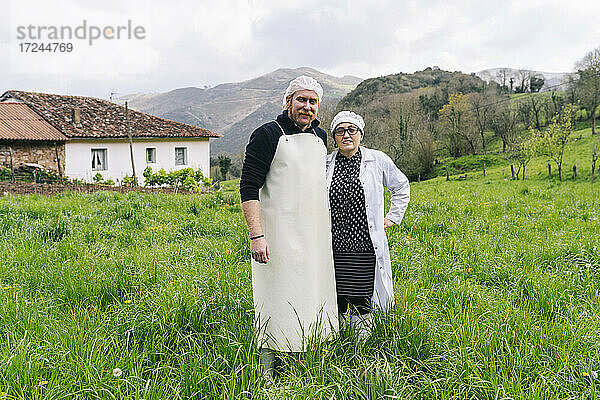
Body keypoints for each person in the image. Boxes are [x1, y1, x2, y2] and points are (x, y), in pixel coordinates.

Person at [240, 76, 338, 385]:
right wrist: (256, 235)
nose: (307, 107)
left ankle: (310, 356)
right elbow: (248, 187)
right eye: (301, 100)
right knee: (276, 295)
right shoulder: (267, 135)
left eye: (312, 102)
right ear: (288, 102)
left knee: (313, 290)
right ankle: (269, 367)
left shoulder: (321, 137)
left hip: (314, 232)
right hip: (277, 234)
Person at [326, 111, 410, 341]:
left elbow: (401, 186)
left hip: (364, 242)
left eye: (352, 130)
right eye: (340, 131)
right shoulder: (325, 163)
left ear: (360, 135)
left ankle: (362, 343)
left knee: (362, 296)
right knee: (339, 295)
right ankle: (340, 340)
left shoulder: (377, 159)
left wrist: (393, 217)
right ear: (334, 137)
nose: (346, 135)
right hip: (335, 243)